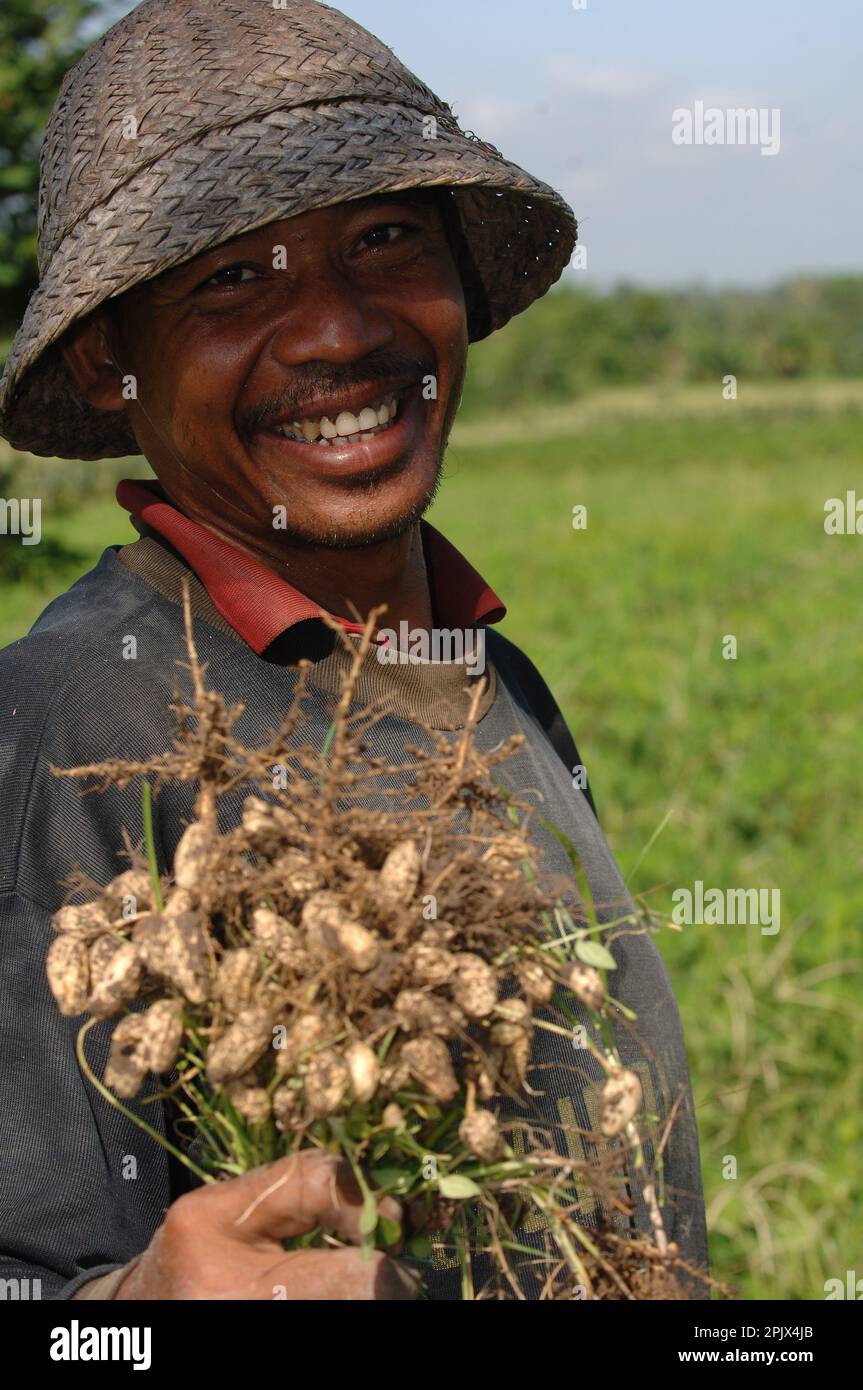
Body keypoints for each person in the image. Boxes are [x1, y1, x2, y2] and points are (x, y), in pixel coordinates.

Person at [0, 0, 709, 1301]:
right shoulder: (65, 726)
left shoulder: (487, 672)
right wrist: (135, 1311)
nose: (335, 331)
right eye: (229, 275)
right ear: (112, 360)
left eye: (383, 240)